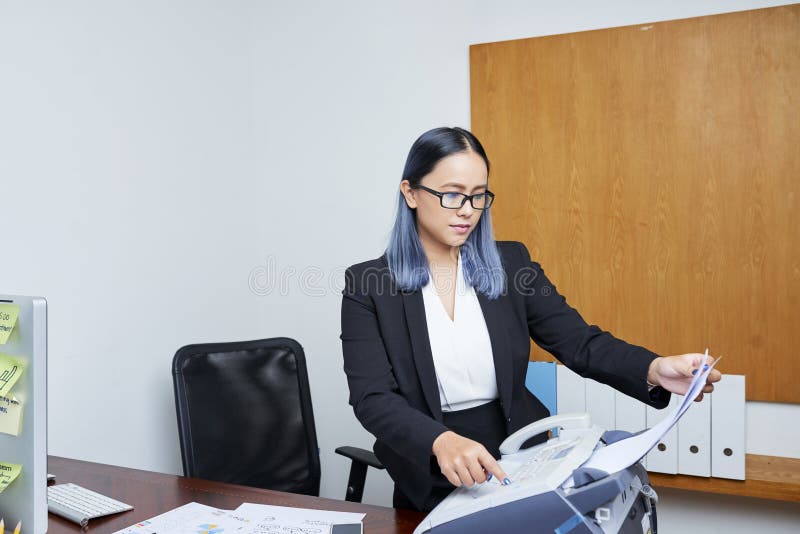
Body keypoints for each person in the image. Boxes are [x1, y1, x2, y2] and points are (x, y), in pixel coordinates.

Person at [340, 126, 721, 512]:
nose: (468, 210)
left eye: (478, 196)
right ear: (411, 193)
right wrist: (440, 441)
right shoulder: (368, 285)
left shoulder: (512, 265)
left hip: (521, 458)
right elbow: (373, 398)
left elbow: (579, 342)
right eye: (452, 194)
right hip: (428, 465)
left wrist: (654, 368)